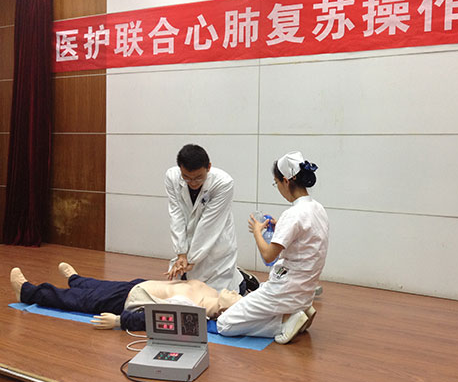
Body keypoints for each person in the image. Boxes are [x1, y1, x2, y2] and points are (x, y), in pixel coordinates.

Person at [215, 151, 329, 344]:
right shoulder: (318, 208)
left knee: (224, 324)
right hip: (304, 292)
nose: (278, 188)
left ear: (286, 181)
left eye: (276, 183)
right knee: (257, 293)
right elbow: (305, 241)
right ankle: (297, 313)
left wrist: (257, 232)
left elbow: (268, 256)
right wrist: (281, 229)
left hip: (286, 290)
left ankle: (285, 322)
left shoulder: (293, 214)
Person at [10, 263, 242, 331]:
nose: (234, 292)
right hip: (140, 285)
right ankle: (76, 278)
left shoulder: (195, 312)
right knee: (100, 285)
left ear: (224, 311)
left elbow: (154, 319)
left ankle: (28, 292)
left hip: (129, 301)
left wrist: (120, 321)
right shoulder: (213, 292)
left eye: (236, 298)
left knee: (76, 300)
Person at [165, 144, 257, 295]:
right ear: (180, 169)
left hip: (215, 241)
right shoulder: (172, 177)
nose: (193, 183)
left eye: (198, 178)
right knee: (184, 292)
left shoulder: (223, 183)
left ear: (208, 167)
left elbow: (208, 226)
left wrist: (191, 259)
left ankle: (242, 282)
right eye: (186, 178)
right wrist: (181, 253)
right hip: (190, 242)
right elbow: (176, 215)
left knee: (218, 296)